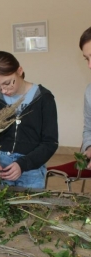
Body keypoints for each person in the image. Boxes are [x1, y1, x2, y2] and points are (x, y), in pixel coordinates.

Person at [0, 51, 58, 188]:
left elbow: (50, 142)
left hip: (32, 170)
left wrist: (23, 164)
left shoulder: (43, 98)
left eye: (7, 83)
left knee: (29, 208)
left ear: (19, 71)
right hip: (0, 170)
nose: (4, 90)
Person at [79, 27, 91, 168]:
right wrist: (89, 147)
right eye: (87, 59)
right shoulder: (89, 92)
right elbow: (89, 128)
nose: (89, 65)